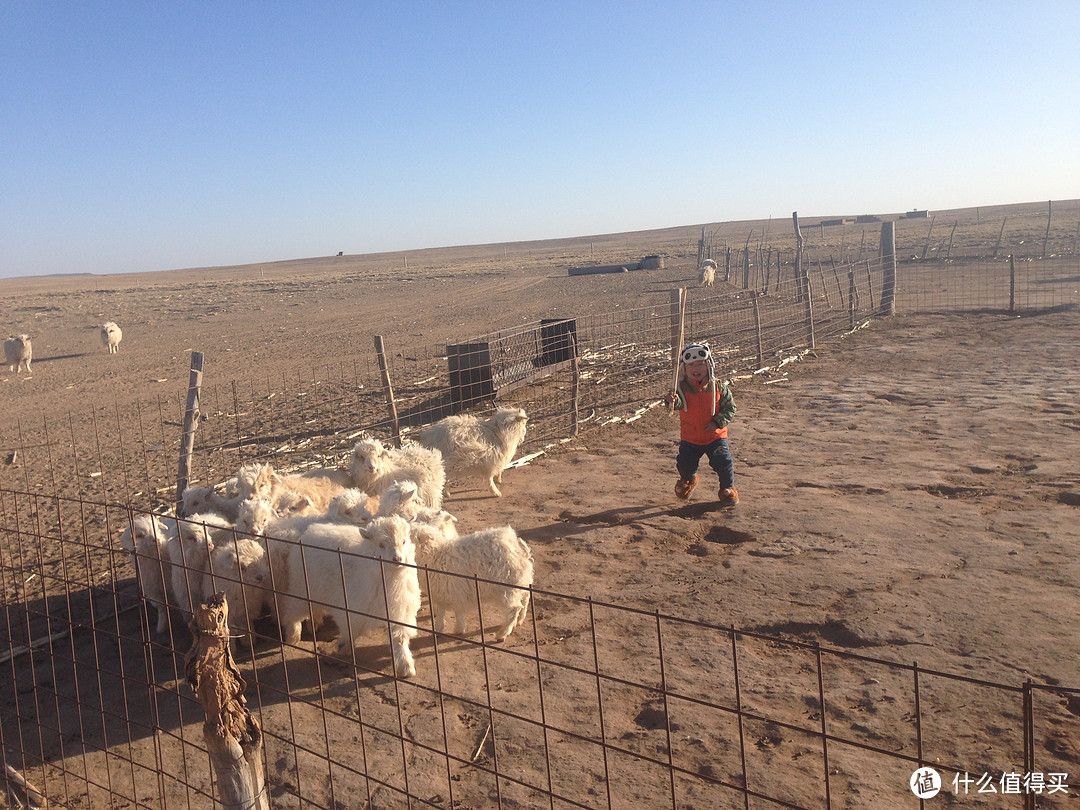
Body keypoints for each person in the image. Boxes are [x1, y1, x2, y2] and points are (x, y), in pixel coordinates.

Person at [664, 342, 738, 505]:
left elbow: (730, 408)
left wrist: (717, 422)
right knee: (684, 464)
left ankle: (728, 489)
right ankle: (689, 480)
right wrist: (670, 401)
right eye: (691, 365)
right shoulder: (681, 389)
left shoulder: (719, 387)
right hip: (690, 438)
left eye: (700, 364)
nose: (696, 369)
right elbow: (676, 406)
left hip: (715, 437)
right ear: (684, 368)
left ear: (709, 365)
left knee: (723, 463)